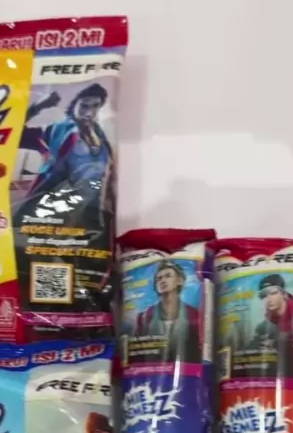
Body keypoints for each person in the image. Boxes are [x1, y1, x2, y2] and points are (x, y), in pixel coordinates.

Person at [15, 83, 114, 227]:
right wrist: (38, 107)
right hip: (46, 213)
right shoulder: (56, 131)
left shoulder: (100, 136)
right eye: (84, 106)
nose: (89, 113)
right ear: (74, 104)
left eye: (95, 106)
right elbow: (15, 135)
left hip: (89, 217)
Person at [134, 261, 200, 362]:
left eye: (168, 276)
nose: (163, 281)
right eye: (159, 279)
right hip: (152, 369)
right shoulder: (144, 317)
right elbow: (137, 353)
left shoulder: (195, 315)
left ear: (180, 280)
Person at [250, 274, 293, 376]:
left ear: (283, 294)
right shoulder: (263, 328)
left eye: (273, 293)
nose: (269, 299)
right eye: (264, 295)